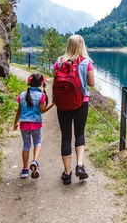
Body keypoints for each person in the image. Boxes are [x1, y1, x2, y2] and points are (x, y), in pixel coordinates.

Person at [53, 34, 95, 185]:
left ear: (68, 45)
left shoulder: (59, 61)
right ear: (81, 45)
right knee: (80, 133)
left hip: (62, 104)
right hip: (81, 103)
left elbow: (55, 81)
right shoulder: (86, 62)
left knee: (66, 137)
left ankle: (67, 173)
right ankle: (79, 166)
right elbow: (91, 83)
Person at [13, 73, 55, 179]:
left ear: (29, 82)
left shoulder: (22, 95)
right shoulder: (41, 96)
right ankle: (35, 162)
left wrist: (15, 123)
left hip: (24, 125)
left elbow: (19, 110)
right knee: (37, 143)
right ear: (41, 83)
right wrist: (53, 103)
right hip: (36, 124)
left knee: (26, 145)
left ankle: (25, 169)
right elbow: (42, 110)